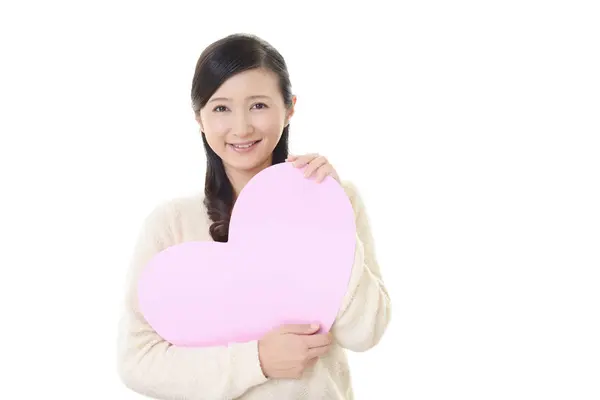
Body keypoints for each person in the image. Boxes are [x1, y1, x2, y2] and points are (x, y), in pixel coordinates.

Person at [117, 33, 391, 400]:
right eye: (221, 108)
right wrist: (256, 361)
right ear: (199, 118)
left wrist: (328, 214)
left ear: (289, 107)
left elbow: (365, 332)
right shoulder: (171, 223)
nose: (242, 127)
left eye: (259, 105)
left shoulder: (338, 201)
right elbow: (137, 360)